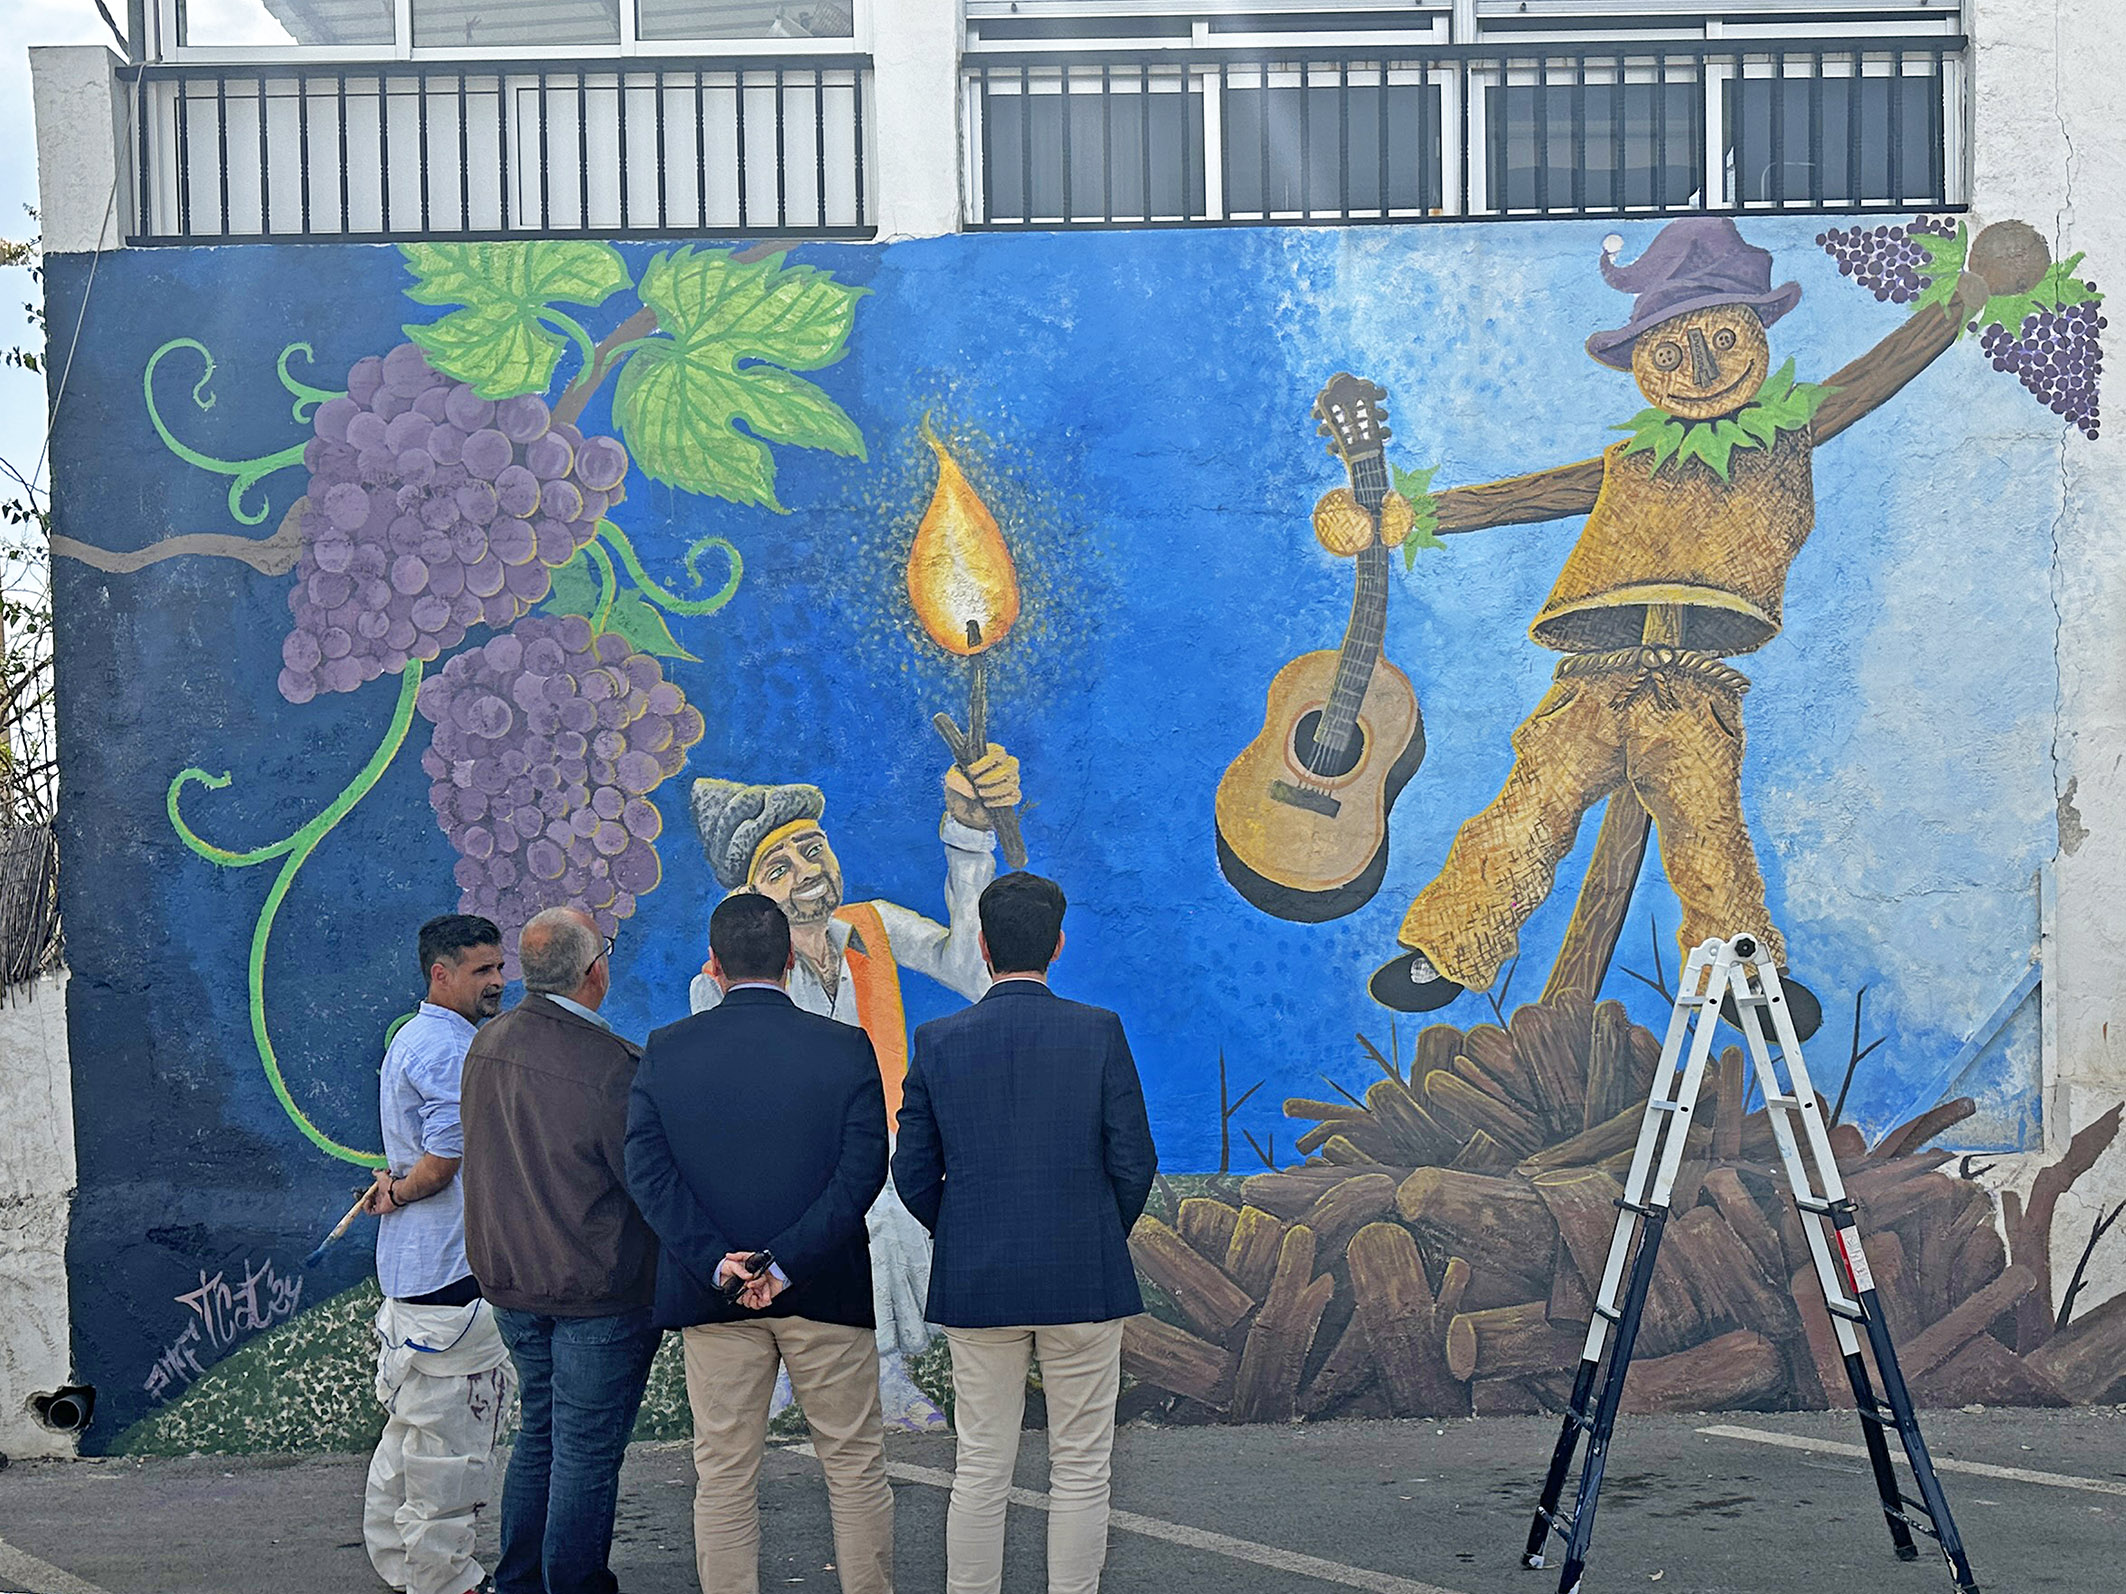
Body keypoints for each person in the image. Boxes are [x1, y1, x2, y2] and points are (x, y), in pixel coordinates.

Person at [686, 749, 1019, 1425]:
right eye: (779, 869)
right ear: (749, 899)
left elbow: (972, 970)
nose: (807, 872)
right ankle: (781, 1377)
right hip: (786, 1158)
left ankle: (887, 1375)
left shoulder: (874, 927)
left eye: (812, 850)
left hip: (877, 1143)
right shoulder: (724, 977)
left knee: (891, 1228)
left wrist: (967, 838)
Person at [892, 873, 1158, 1594]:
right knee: (1081, 1464)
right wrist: (1098, 1229)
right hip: (1083, 1277)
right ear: (1058, 945)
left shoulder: (939, 1040)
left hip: (979, 1284)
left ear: (981, 945)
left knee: (980, 1464)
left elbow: (911, 1170)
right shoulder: (1098, 1031)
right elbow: (1134, 1159)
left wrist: (964, 1231)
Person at [628, 891, 895, 1594]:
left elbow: (649, 1175)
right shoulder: (844, 1047)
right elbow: (864, 1168)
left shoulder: (666, 1051)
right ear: (788, 961)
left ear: (713, 965)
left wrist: (720, 1261)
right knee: (855, 1467)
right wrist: (788, 1261)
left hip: (712, 1297)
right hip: (825, 1290)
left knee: (722, 1475)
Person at [460, 906, 660, 1594]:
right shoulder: (612, 1068)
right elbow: (645, 1183)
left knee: (541, 1434)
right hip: (594, 1287)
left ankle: (520, 1581)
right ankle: (572, 1583)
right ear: (593, 972)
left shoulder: (488, 1045)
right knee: (584, 1451)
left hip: (514, 1283)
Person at [361, 913, 515, 1594]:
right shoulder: (451, 1049)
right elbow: (443, 1161)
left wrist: (396, 1186)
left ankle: (405, 1567)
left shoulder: (418, 1039)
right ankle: (445, 1582)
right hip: (451, 1279)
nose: (497, 982)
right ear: (440, 974)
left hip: (418, 1276)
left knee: (410, 1441)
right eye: (482, 971)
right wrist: (399, 1188)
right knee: (450, 1451)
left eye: (499, 967)